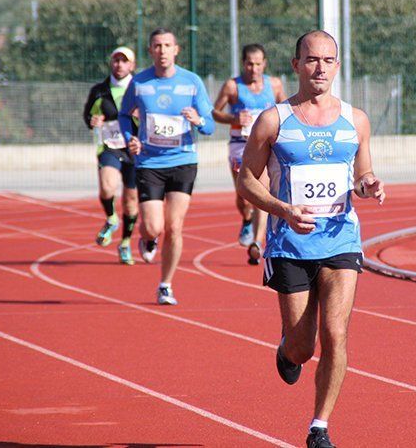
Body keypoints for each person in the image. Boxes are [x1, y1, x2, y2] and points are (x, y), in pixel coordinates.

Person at [236, 30, 385, 448]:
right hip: (290, 244)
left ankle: (319, 426)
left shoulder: (356, 120)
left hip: (341, 239)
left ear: (337, 66)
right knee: (304, 347)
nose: (320, 67)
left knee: (335, 333)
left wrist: (369, 184)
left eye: (328, 60)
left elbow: (362, 174)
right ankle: (287, 350)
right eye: (312, 59)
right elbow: (247, 181)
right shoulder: (273, 120)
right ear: (296, 64)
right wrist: (283, 210)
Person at [118, 28, 214, 305]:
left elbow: (209, 126)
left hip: (183, 160)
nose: (162, 50)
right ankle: (147, 239)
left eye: (167, 45)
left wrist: (197, 120)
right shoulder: (139, 83)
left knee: (174, 226)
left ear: (176, 50)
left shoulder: (192, 82)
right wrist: (130, 139)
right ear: (150, 51)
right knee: (153, 226)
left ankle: (166, 284)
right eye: (157, 46)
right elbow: (125, 115)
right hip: (149, 162)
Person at [212, 43, 287, 265]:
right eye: (249, 64)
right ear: (243, 64)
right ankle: (246, 219)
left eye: (258, 64)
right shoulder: (232, 86)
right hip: (239, 145)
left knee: (261, 191)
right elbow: (215, 112)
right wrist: (233, 119)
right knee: (244, 196)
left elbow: (285, 109)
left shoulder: (273, 85)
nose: (254, 69)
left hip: (264, 146)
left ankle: (256, 242)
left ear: (264, 64)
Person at [82, 46, 139, 265]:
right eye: (116, 60)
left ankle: (125, 243)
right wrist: (92, 121)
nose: (119, 64)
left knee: (131, 200)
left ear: (131, 65)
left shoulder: (140, 88)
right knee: (107, 186)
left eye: (124, 61)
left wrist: (139, 118)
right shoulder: (99, 90)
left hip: (134, 148)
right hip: (110, 146)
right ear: (111, 63)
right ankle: (111, 218)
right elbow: (88, 115)